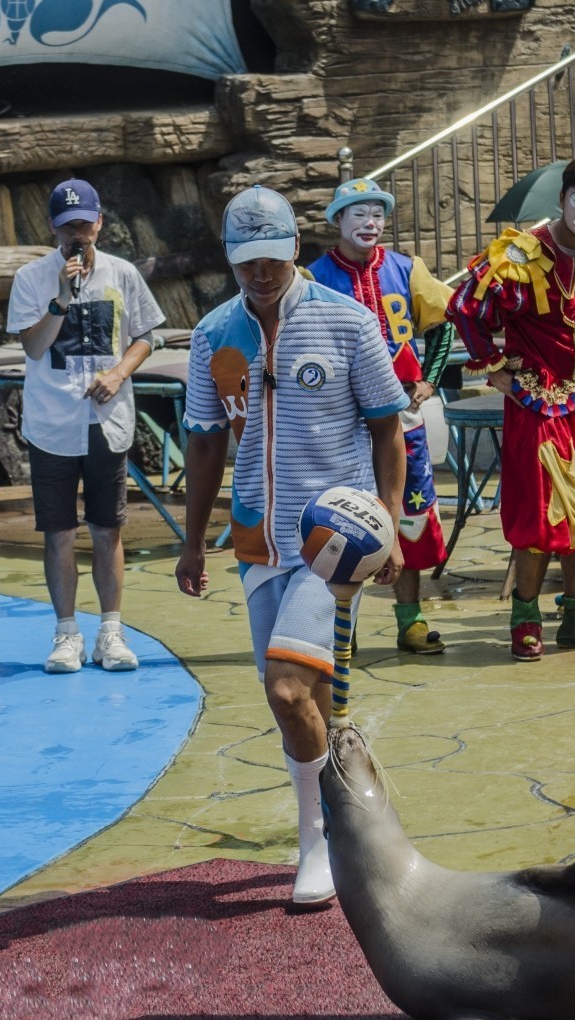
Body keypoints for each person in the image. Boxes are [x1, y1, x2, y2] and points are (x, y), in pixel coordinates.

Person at [175, 185, 406, 907]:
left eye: (272, 260)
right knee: (307, 696)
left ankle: (317, 842)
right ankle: (347, 792)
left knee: (284, 688)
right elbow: (206, 441)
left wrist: (390, 519)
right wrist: (191, 543)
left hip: (333, 537)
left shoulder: (347, 321)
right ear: (230, 259)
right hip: (255, 537)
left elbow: (387, 426)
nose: (260, 275)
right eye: (246, 262)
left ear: (294, 250)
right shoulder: (214, 333)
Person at [447, 155, 575, 662]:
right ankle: (525, 616)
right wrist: (493, 367)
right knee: (543, 516)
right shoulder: (522, 252)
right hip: (540, 403)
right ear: (561, 201)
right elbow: (465, 306)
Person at [6, 177, 165, 675]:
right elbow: (33, 348)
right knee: (57, 532)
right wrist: (59, 298)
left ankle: (111, 632)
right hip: (52, 421)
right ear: (53, 229)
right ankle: (66, 633)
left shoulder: (122, 274)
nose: (78, 233)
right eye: (67, 225)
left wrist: (118, 373)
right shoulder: (31, 278)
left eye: (84, 223)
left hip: (105, 420)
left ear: (99, 222)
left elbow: (145, 335)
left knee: (107, 529)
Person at [308, 178, 453, 655]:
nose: (370, 223)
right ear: (338, 222)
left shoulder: (407, 269)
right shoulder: (311, 279)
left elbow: (444, 323)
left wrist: (428, 379)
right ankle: (331, 626)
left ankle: (410, 618)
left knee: (408, 515)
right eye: (358, 214)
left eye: (377, 215)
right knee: (338, 521)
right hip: (340, 424)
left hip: (401, 416)